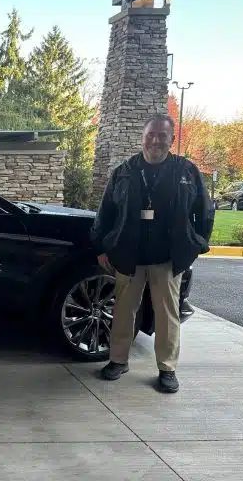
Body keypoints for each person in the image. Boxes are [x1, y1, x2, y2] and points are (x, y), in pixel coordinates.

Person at [91, 114, 214, 393]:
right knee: (123, 311)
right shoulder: (124, 171)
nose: (156, 140)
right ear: (142, 137)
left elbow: (204, 211)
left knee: (167, 314)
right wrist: (101, 246)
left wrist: (196, 243)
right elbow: (106, 211)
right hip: (128, 255)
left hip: (167, 258)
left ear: (171, 139)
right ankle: (118, 361)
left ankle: (167, 369)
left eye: (162, 135)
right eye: (151, 135)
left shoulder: (186, 171)